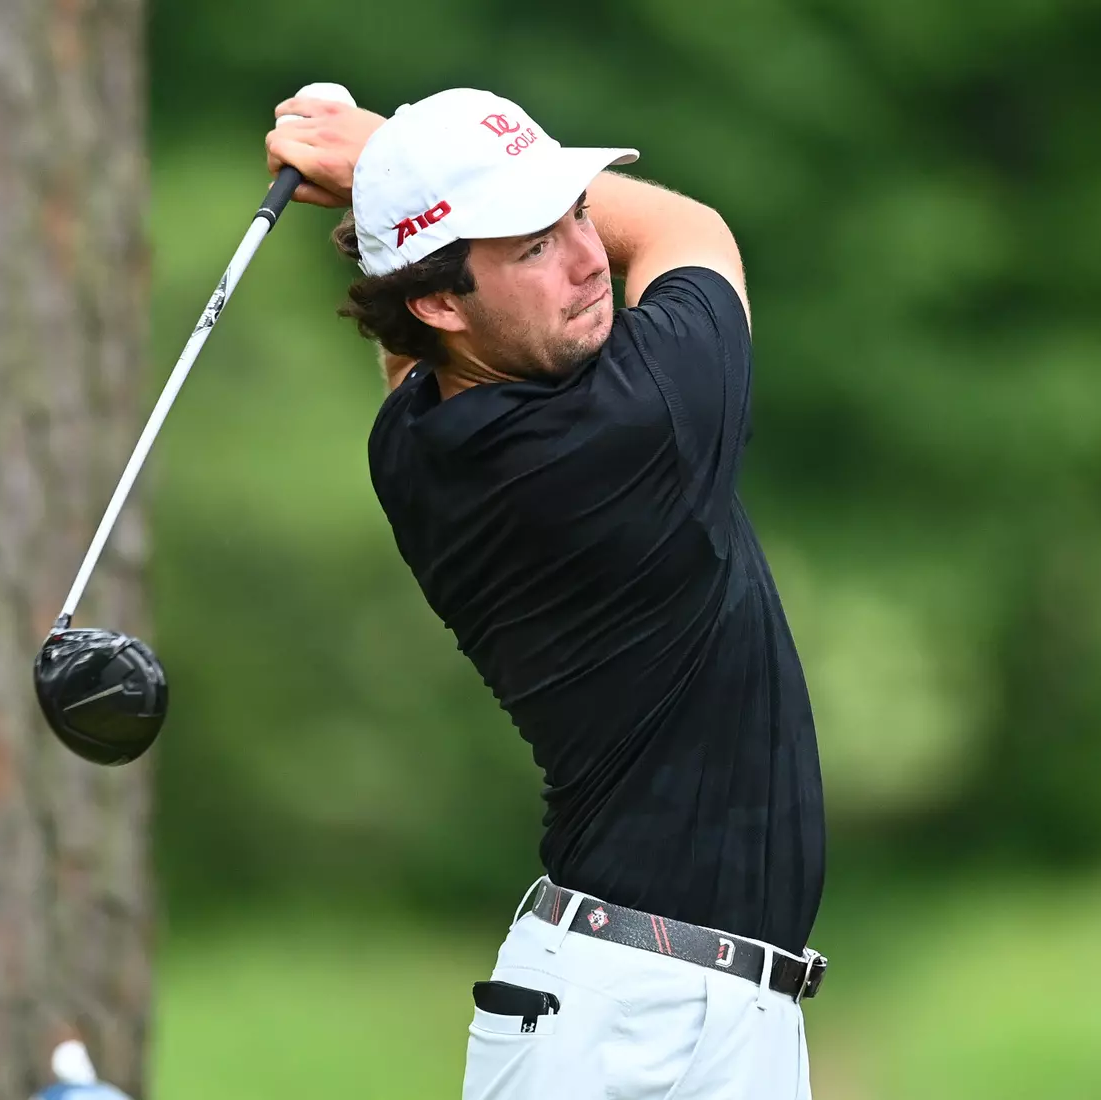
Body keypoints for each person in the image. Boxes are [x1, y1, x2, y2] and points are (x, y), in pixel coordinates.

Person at [265, 86, 827, 1099]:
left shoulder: (414, 443)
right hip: (638, 1031)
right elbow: (684, 228)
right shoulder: (635, 425)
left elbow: (405, 349)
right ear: (440, 299)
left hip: (648, 1008)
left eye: (575, 211)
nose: (584, 258)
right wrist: (383, 154)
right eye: (532, 244)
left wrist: (403, 192)